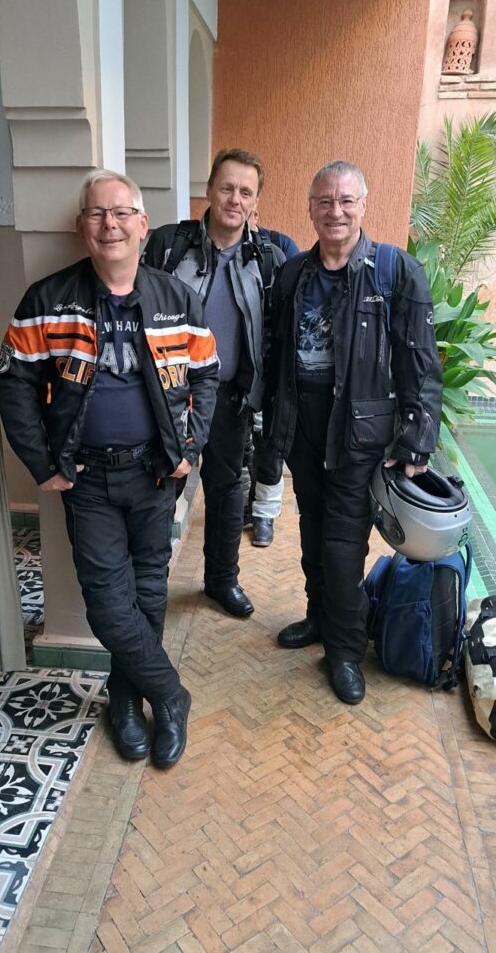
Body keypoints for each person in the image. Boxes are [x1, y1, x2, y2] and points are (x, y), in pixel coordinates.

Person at [0, 170, 219, 767]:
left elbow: (207, 374)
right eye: (97, 213)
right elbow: (11, 381)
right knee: (108, 606)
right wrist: (41, 462)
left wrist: (190, 447)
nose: (109, 224)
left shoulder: (176, 299)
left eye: (121, 213)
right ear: (81, 226)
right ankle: (170, 695)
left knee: (148, 594)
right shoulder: (48, 299)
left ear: (142, 224)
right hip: (86, 478)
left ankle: (124, 702)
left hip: (155, 473)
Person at [265, 160, 442, 704]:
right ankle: (320, 617)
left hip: (360, 431)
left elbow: (420, 363)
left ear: (363, 206)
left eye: (346, 201)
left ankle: (344, 650)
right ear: (311, 209)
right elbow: (275, 357)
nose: (335, 211)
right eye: (324, 201)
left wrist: (416, 439)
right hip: (303, 426)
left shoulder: (394, 271)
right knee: (313, 529)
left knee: (343, 544)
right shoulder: (293, 274)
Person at [143, 148, 285, 617]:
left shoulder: (267, 258)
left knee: (226, 491)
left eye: (245, 192)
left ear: (256, 201)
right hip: (170, 397)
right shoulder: (169, 246)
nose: (234, 199)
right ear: (209, 190)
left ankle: (221, 582)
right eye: (226, 188)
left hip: (230, 398)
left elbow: (275, 333)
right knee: (160, 489)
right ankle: (149, 586)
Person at [242, 211, 300, 546]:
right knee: (237, 446)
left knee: (269, 444)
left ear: (256, 210)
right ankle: (243, 506)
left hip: (271, 367)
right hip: (232, 370)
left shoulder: (280, 247)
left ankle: (264, 513)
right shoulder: (216, 250)